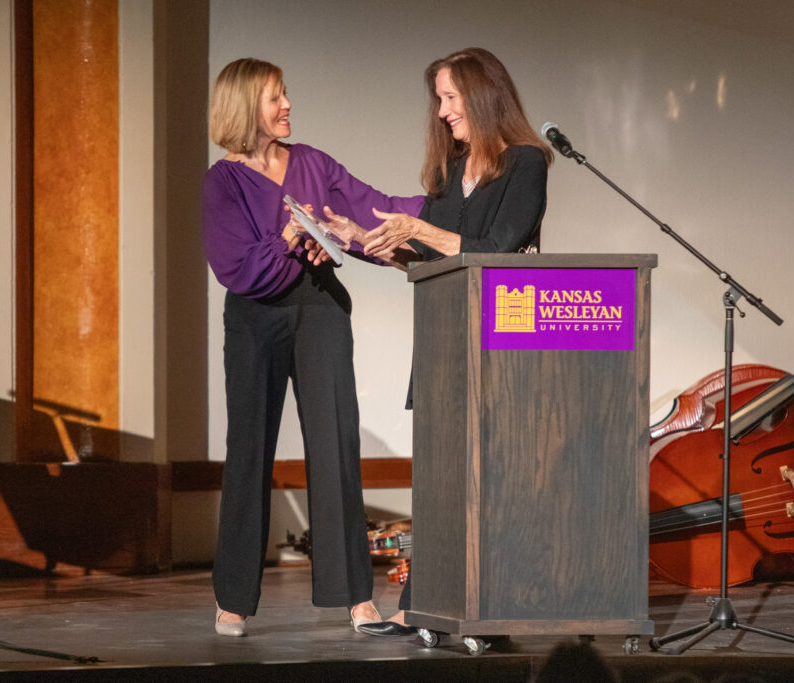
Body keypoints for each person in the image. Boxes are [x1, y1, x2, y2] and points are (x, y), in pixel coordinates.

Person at [323, 47, 552, 635]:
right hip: (446, 343)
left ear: (482, 95)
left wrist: (419, 228)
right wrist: (364, 240)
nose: (444, 111)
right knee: (442, 482)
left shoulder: (526, 163)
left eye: (451, 97)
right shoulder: (451, 173)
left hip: (503, 344)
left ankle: (492, 604)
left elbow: (497, 250)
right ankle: (421, 605)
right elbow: (428, 256)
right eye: (441, 100)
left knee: (494, 483)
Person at [202, 57, 424, 637]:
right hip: (255, 320)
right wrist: (290, 240)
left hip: (320, 309)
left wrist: (445, 213)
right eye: (276, 97)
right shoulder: (222, 182)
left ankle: (354, 595)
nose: (288, 105)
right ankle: (233, 597)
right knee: (250, 450)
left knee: (336, 445)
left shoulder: (311, 162)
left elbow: (371, 209)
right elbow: (238, 268)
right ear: (245, 106)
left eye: (286, 94)